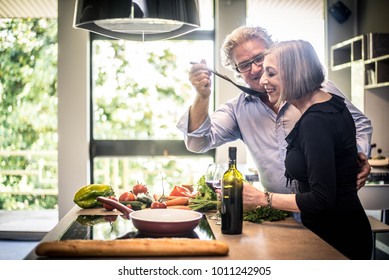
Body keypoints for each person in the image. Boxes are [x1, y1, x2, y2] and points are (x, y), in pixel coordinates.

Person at [176, 26, 372, 204]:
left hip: (328, 209)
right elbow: (197, 143)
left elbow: (359, 123)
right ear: (236, 71)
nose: (255, 69)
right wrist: (202, 96)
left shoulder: (316, 91)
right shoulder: (236, 110)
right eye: (244, 65)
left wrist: (355, 158)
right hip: (279, 212)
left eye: (259, 58)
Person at [251, 39, 372, 260]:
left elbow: (321, 199)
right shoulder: (333, 103)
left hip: (335, 240)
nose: (263, 80)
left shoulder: (314, 122)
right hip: (345, 229)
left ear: (294, 73)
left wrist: (261, 198)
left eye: (271, 73)